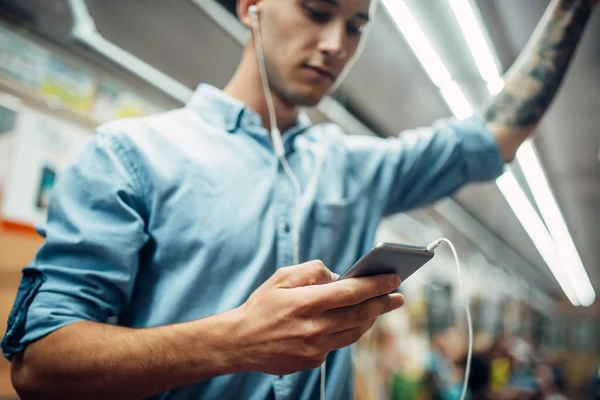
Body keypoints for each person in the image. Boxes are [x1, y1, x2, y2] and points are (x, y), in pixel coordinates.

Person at [2, 0, 597, 399]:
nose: (335, 43)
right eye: (315, 11)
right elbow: (40, 362)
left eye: (357, 26)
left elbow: (496, 131)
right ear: (250, 5)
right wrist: (234, 340)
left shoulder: (357, 167)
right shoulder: (131, 154)